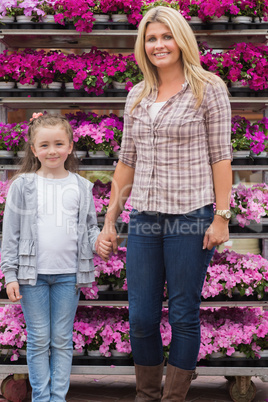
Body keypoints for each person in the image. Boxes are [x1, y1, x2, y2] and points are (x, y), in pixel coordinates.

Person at [96, 5, 232, 401]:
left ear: (182, 40)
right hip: (144, 218)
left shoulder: (210, 88)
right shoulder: (138, 94)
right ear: (143, 45)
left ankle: (171, 398)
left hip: (191, 216)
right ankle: (147, 394)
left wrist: (221, 217)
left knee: (183, 314)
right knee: (140, 316)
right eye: (151, 38)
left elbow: (221, 158)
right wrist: (110, 220)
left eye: (166, 36)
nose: (159, 45)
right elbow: (126, 162)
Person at [1, 113, 112, 402]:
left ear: (71, 146)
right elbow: (10, 233)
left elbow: (88, 228)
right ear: (34, 149)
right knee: (39, 340)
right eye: (45, 145)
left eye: (59, 143)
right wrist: (9, 274)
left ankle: (58, 398)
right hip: (31, 276)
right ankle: (42, 397)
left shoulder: (80, 186)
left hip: (68, 276)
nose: (52, 151)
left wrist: (97, 242)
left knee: (62, 340)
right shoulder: (22, 186)